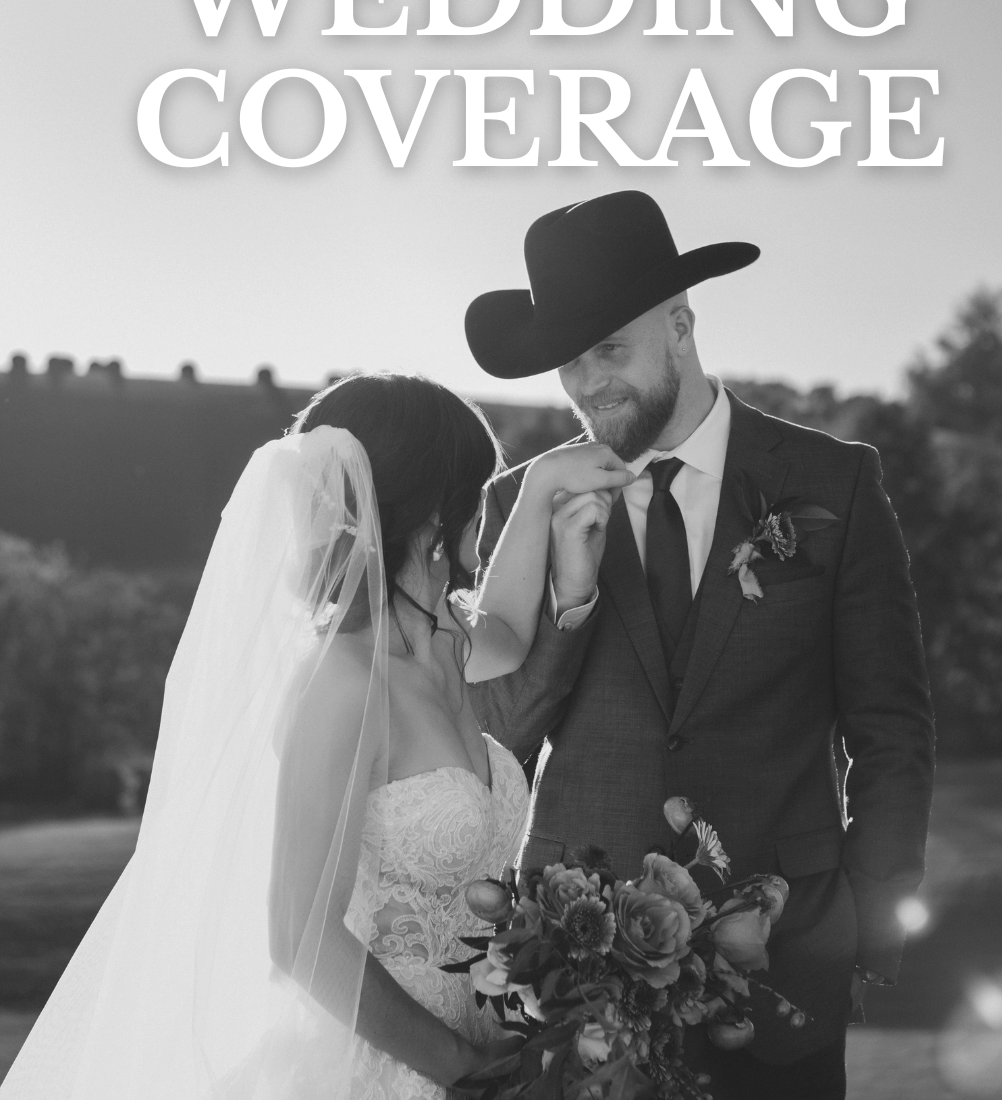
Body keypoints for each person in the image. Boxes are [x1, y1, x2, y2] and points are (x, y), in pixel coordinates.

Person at [0, 372, 631, 1100]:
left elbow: (514, 632)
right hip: (390, 1070)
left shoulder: (450, 638)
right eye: (478, 491)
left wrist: (545, 490)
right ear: (437, 510)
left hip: (490, 1048)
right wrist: (471, 1074)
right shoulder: (342, 684)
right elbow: (300, 935)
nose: (483, 515)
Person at [465, 190, 936, 1100]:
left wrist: (868, 925)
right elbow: (498, 737)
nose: (588, 384)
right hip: (578, 969)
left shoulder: (834, 484)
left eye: (611, 349)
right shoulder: (526, 501)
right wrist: (570, 599)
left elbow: (892, 730)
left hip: (785, 962)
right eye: (570, 361)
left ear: (680, 326)